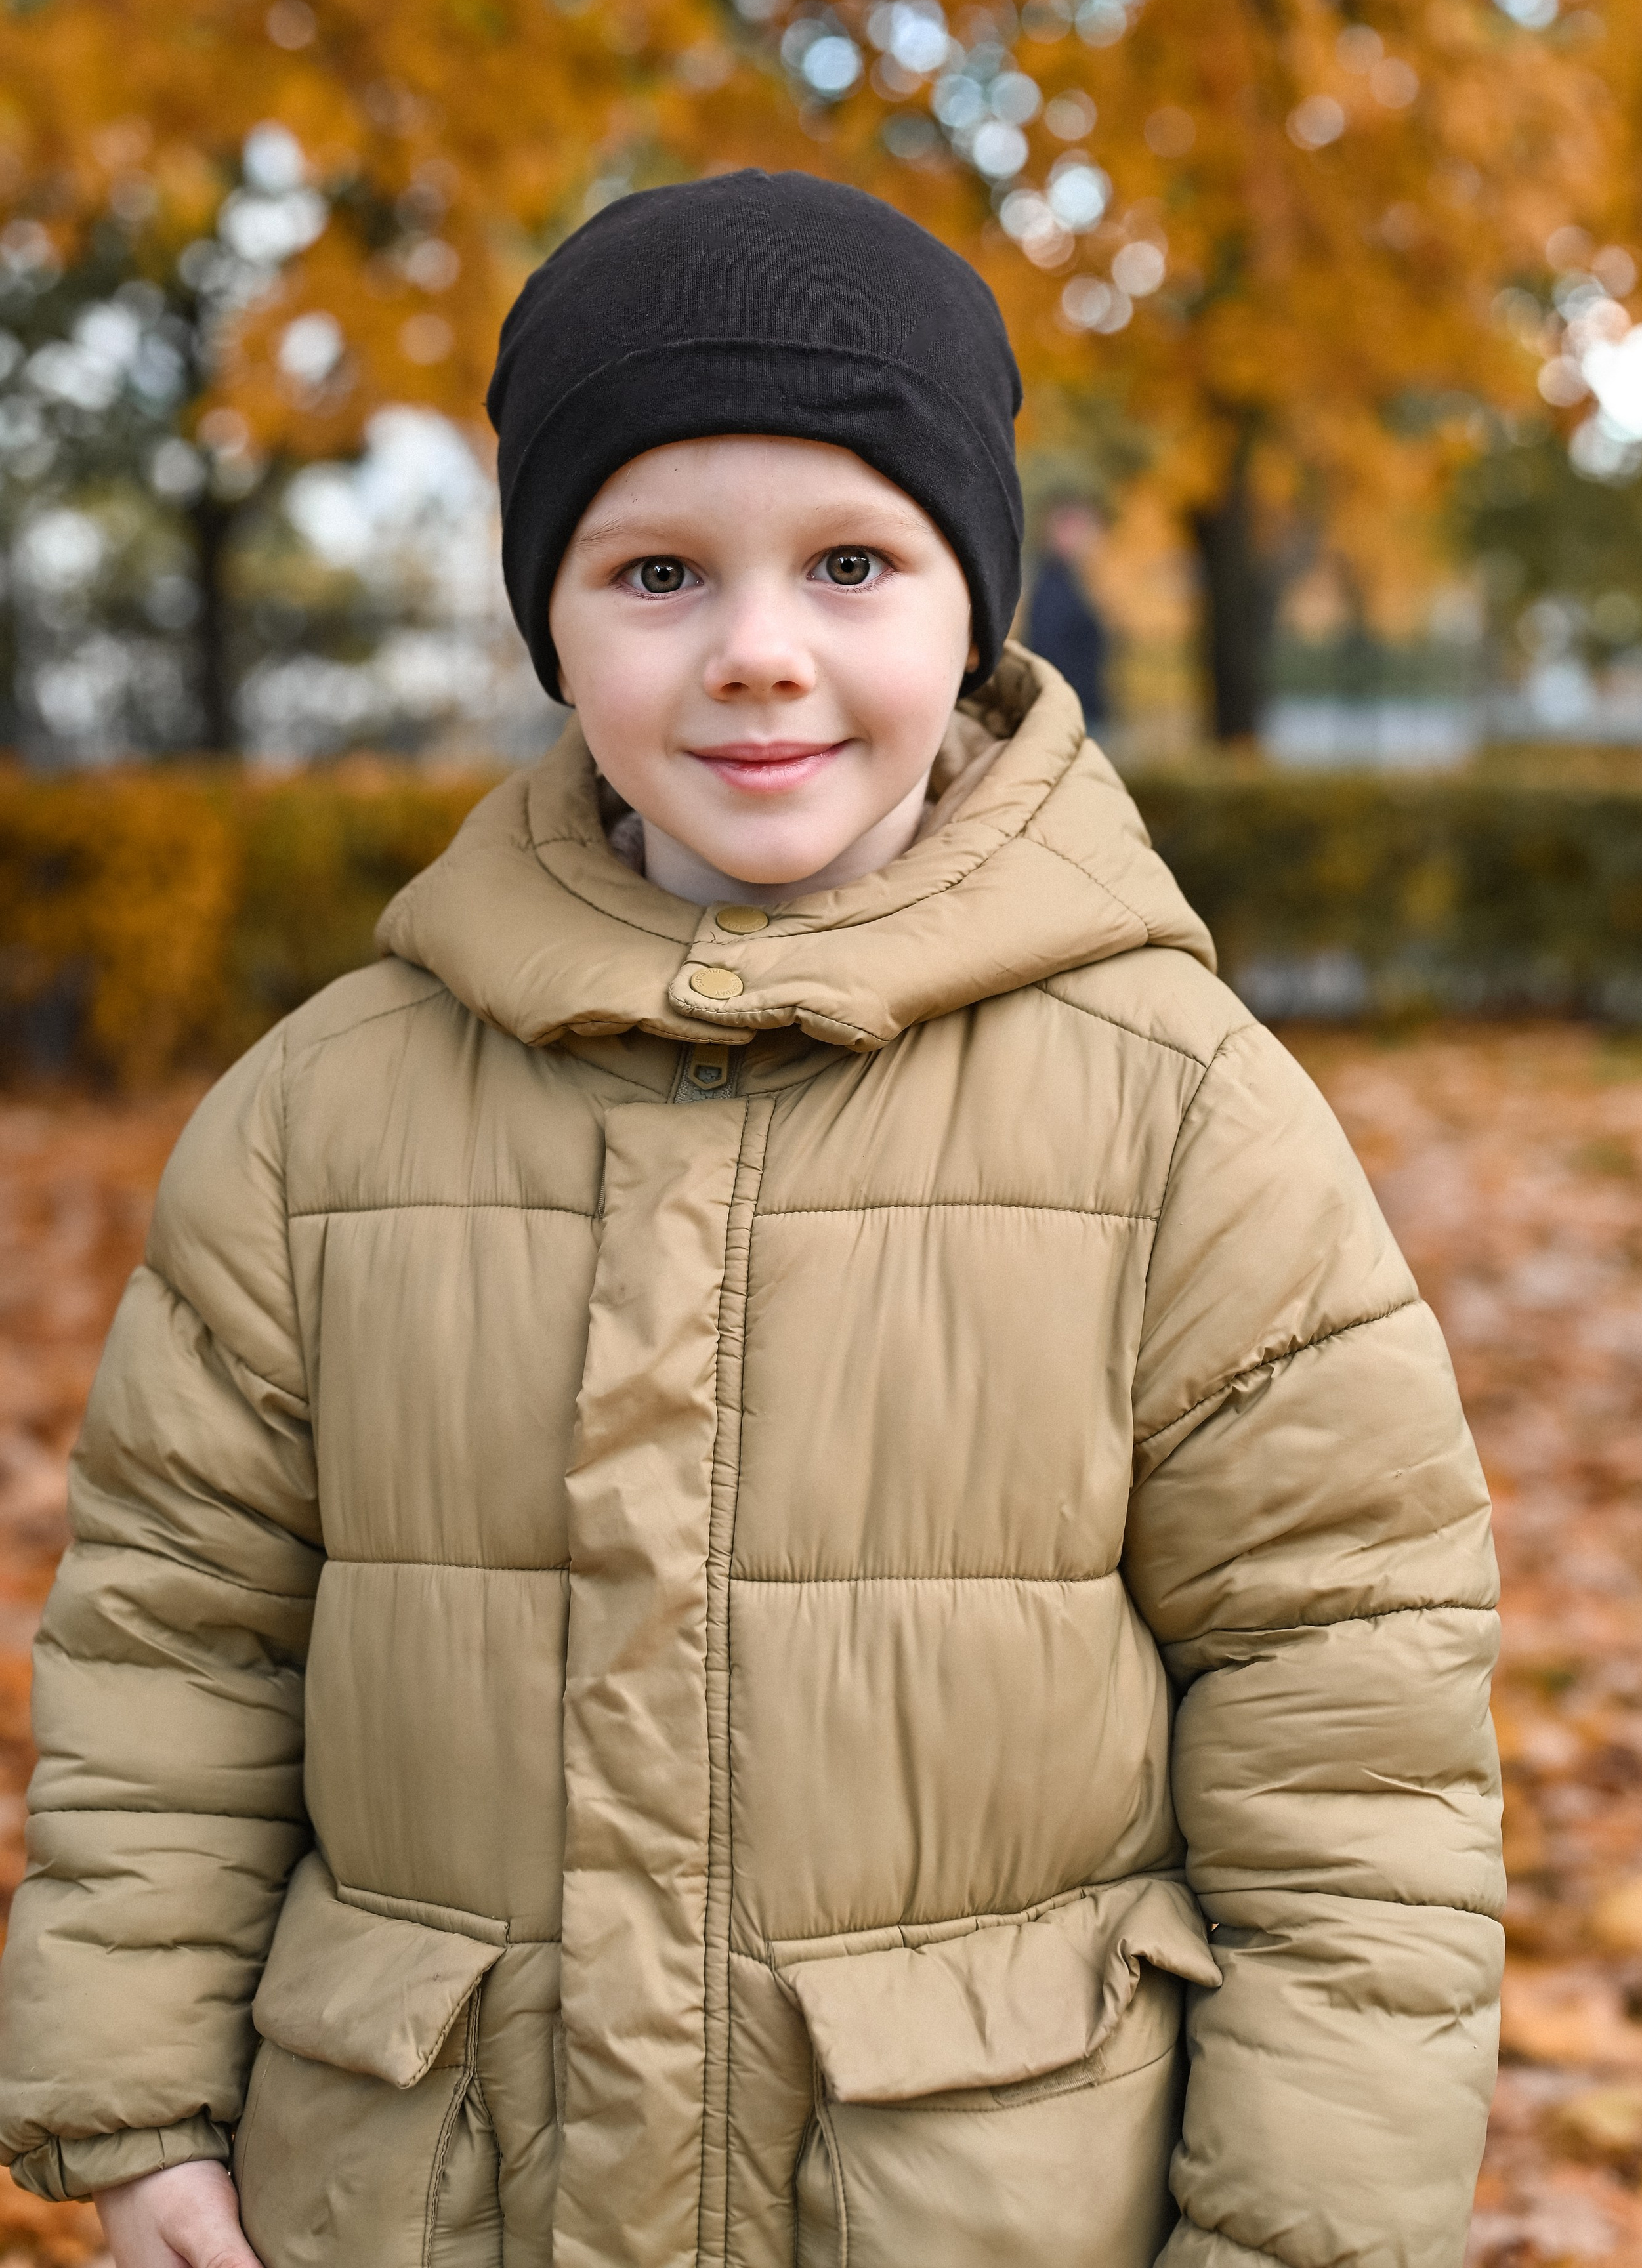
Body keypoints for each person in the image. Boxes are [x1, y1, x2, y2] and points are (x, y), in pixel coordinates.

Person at [0, 171, 1502, 2268]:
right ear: (553, 613)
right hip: (419, 2194)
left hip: (980, 2204)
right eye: (658, 572)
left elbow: (1349, 1730)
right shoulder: (317, 1123)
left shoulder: (1182, 1123)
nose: (758, 655)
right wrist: (142, 2101)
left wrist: (1298, 2230)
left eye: (853, 562)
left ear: (970, 608)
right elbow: (179, 1646)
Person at [1024, 495, 1116, 730]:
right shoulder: (1054, 588)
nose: (1090, 538)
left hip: (1079, 707)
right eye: (1083, 529)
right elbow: (1049, 651)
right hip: (1073, 711)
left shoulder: (1070, 583)